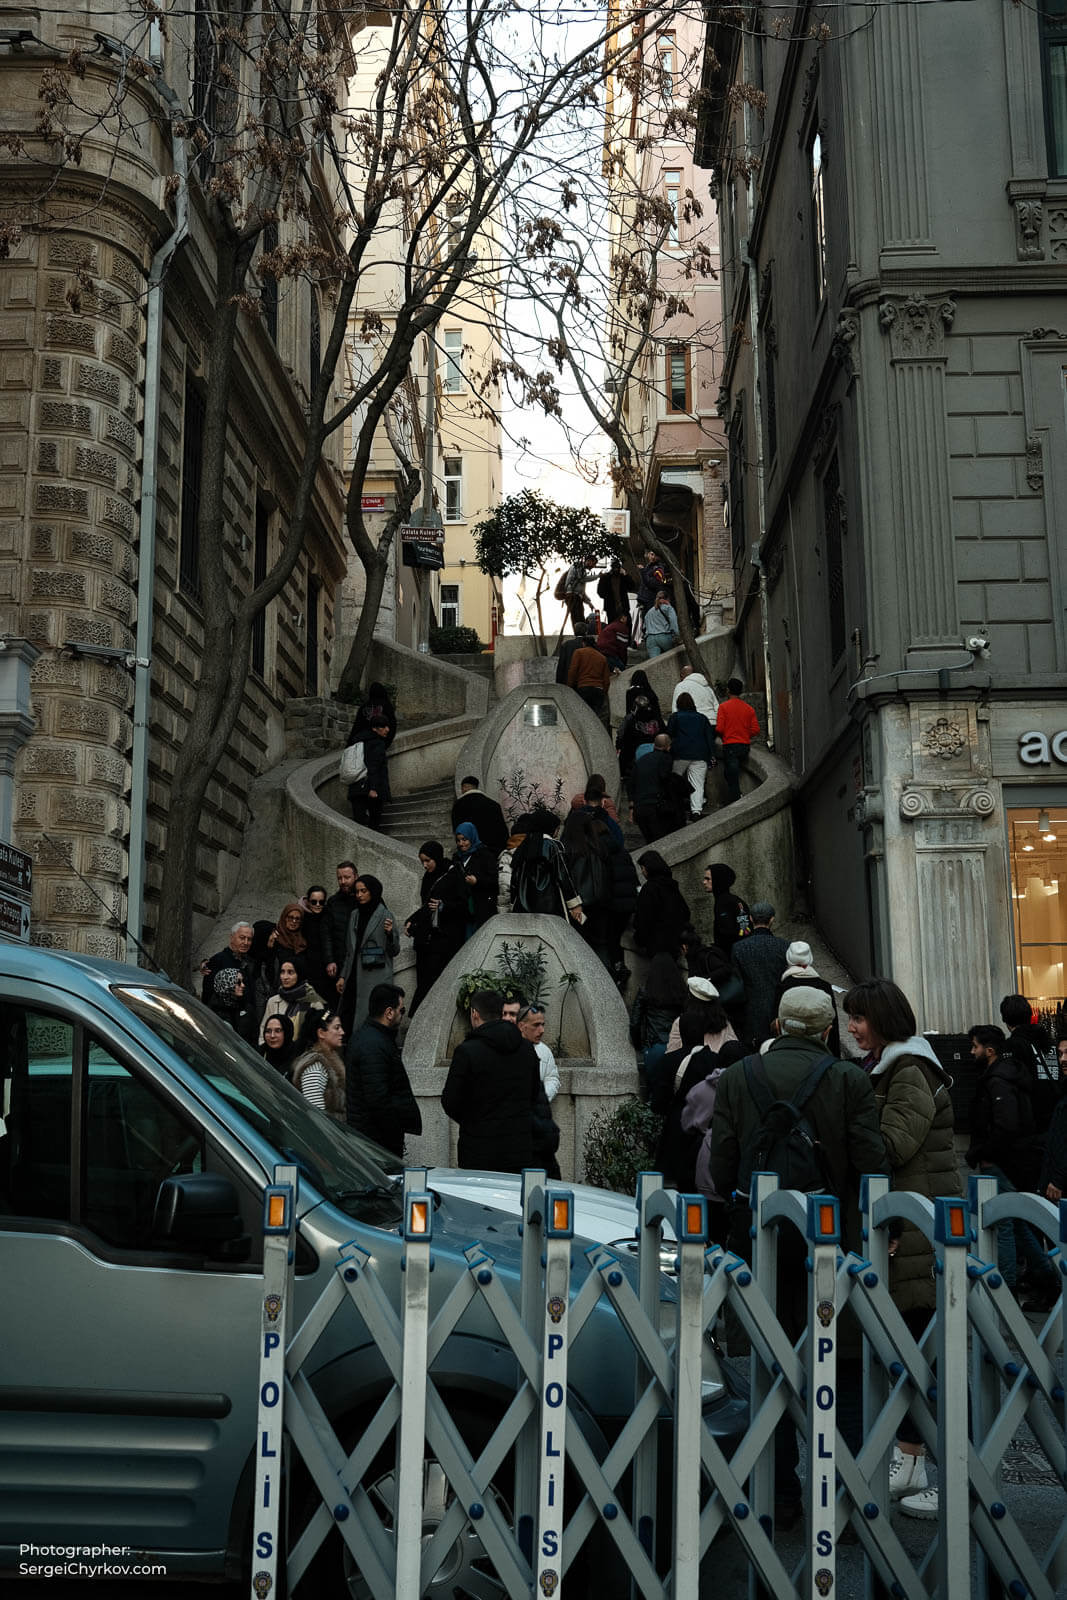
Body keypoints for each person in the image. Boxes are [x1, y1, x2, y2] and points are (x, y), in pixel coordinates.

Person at [710, 985, 888, 1528]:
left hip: (763, 1243)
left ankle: (780, 1494)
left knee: (771, 1363)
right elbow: (872, 1161)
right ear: (828, 1030)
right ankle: (847, 1499)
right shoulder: (849, 1080)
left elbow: (721, 1167)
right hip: (832, 1246)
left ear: (778, 1026)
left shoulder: (739, 1078)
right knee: (844, 1365)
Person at [843, 977, 963, 1517]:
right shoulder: (894, 1068)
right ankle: (913, 1460)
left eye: (860, 1018)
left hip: (917, 1229)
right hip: (908, 1225)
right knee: (912, 1353)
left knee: (924, 1355)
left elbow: (893, 1144)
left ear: (885, 1020)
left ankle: (956, 1472)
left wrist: (845, 1127)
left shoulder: (910, 1071)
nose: (852, 1027)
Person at [966, 1023, 1058, 1311]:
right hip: (1017, 1159)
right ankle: (1048, 1277)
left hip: (1000, 1161)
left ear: (989, 1050)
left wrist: (982, 1153)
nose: (971, 1052)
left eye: (975, 1047)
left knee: (1004, 1223)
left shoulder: (997, 1081)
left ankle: (1005, 1290)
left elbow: (1005, 1125)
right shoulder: (1012, 1075)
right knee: (1016, 1223)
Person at [442, 988, 540, 1172]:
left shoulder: (467, 1051)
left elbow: (450, 1101)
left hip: (478, 1151)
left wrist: (473, 1121)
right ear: (500, 1013)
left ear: (475, 1014)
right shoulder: (526, 1049)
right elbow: (534, 1095)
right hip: (519, 1150)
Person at [346, 983, 421, 1157]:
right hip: (377, 1144)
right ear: (389, 1013)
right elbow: (378, 1100)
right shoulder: (373, 1044)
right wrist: (394, 1134)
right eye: (401, 1010)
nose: (402, 1015)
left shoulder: (374, 1039)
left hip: (374, 1139)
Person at [404, 840, 467, 1016]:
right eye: (422, 861)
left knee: (432, 984)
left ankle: (419, 1018)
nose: (425, 865)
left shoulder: (453, 874)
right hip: (426, 940)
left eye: (428, 861)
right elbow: (426, 906)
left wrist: (443, 906)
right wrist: (412, 920)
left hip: (444, 940)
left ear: (437, 858)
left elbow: (463, 905)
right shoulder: (428, 877)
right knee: (423, 981)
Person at [503, 998, 561, 1178]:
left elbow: (553, 1077)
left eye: (543, 1024)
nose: (542, 1030)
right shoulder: (507, 1052)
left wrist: (543, 1094)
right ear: (522, 1026)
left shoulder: (544, 1051)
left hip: (541, 1145)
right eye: (536, 1025)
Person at [339, 874, 400, 1036]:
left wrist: (389, 934)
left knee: (370, 1020)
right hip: (353, 977)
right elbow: (349, 951)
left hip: (374, 978)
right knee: (348, 1019)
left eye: (363, 891)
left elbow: (394, 950)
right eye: (357, 891)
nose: (359, 895)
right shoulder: (354, 915)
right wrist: (343, 976)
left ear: (372, 891)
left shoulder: (385, 915)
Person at [730, 901, 790, 1049]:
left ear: (750, 919)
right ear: (772, 920)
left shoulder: (738, 948)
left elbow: (737, 983)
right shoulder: (784, 946)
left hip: (750, 1013)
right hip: (779, 1012)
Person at [630, 951, 688, 1097]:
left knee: (654, 1095)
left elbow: (635, 1023)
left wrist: (639, 1045)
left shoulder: (646, 991)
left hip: (654, 1046)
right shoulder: (681, 992)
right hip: (677, 1046)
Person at [509, 810, 581, 921]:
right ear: (550, 828)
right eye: (557, 828)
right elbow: (564, 875)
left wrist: (512, 902)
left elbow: (514, 878)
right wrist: (574, 904)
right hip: (549, 906)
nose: (557, 832)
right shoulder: (553, 846)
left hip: (522, 906)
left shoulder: (523, 846)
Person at [773, 940, 841, 1057]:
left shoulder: (783, 987)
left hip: (789, 1052)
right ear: (810, 959)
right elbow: (833, 1024)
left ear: (788, 959)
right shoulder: (824, 986)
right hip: (820, 1054)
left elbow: (775, 1020)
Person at [666, 691, 717, 821]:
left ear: (678, 704)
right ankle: (696, 811)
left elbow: (669, 734)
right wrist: (712, 755)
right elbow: (709, 738)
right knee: (698, 784)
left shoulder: (675, 717)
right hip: (700, 754)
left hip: (680, 754)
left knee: (674, 781)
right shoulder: (702, 718)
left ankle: (677, 808)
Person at [291, 1008, 347, 1120]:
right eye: (337, 1028)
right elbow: (316, 1115)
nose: (342, 1032)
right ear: (321, 1033)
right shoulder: (315, 1066)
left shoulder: (332, 1059)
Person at [634, 849, 690, 959]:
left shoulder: (649, 888)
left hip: (657, 946)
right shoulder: (671, 886)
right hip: (674, 944)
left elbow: (644, 918)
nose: (643, 872)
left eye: (643, 868)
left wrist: (639, 939)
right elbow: (685, 912)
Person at [627, 734, 682, 843]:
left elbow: (631, 784)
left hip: (640, 807)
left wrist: (631, 808)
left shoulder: (641, 760)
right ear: (667, 746)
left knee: (650, 840)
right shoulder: (665, 758)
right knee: (660, 841)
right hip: (655, 806)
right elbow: (664, 778)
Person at [259, 956, 325, 1044]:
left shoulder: (314, 1002)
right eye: (282, 972)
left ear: (299, 974)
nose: (285, 977)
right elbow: (264, 1029)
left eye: (290, 972)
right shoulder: (273, 1001)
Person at [715, 679, 760, 804]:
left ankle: (737, 801)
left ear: (728, 690)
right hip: (744, 746)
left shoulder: (723, 707)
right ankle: (737, 796)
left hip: (730, 746)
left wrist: (726, 733)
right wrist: (745, 734)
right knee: (731, 772)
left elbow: (719, 728)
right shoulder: (749, 708)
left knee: (731, 775)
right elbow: (755, 729)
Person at [453, 821, 499, 935]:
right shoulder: (457, 857)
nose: (461, 843)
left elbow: (494, 879)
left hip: (481, 906)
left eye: (464, 839)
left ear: (472, 838)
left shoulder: (484, 854)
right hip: (464, 908)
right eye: (458, 840)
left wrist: (477, 881)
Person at [322, 861, 359, 995]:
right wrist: (329, 960)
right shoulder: (333, 902)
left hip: (361, 964)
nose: (343, 881)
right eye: (339, 878)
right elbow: (326, 933)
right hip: (339, 962)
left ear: (356, 876)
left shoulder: (366, 900)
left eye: (347, 877)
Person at [349, 717, 392, 829]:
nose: (387, 729)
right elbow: (374, 766)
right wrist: (373, 788)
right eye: (383, 727)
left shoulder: (357, 741)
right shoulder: (377, 743)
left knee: (358, 824)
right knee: (374, 823)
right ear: (374, 728)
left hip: (356, 786)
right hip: (371, 789)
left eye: (387, 726)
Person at [201, 921, 255, 1006]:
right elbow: (208, 994)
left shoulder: (248, 961)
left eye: (249, 939)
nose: (246, 942)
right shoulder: (218, 960)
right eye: (242, 938)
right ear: (232, 937)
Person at [451, 776, 509, 853]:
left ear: (464, 787)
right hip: (494, 852)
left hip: (472, 854)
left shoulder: (458, 806)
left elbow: (457, 831)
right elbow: (503, 832)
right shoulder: (494, 804)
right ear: (476, 787)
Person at [262, 902, 309, 996]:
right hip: (278, 990)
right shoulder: (275, 938)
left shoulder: (304, 940)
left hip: (300, 990)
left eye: (297, 919)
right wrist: (270, 948)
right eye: (290, 917)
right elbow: (268, 966)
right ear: (284, 918)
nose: (294, 921)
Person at [703, 862, 751, 952]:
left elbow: (732, 933)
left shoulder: (725, 903)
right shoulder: (729, 900)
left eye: (708, 879)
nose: (704, 882)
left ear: (718, 880)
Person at [615, 693, 664, 778]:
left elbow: (621, 734)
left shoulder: (630, 718)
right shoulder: (656, 718)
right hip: (654, 751)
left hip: (633, 752)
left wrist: (618, 745)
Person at [207, 965, 259, 1044]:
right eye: (238, 982)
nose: (243, 985)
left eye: (242, 981)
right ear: (227, 984)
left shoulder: (247, 1008)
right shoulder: (212, 1012)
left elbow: (254, 1038)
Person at [567, 637, 612, 724]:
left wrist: (569, 686)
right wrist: (604, 692)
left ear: (584, 643)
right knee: (596, 720)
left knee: (583, 718)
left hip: (583, 688)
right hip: (598, 690)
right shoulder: (602, 657)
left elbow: (573, 671)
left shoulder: (579, 652)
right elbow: (606, 679)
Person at [299, 884, 332, 995]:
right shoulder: (300, 917)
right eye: (314, 902)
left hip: (325, 971)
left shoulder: (328, 917)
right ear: (308, 901)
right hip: (306, 970)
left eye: (321, 902)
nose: (318, 905)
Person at [347, 681, 397, 749]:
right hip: (380, 741)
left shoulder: (364, 707)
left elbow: (357, 726)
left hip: (364, 742)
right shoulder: (387, 706)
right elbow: (393, 724)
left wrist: (349, 744)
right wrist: (386, 743)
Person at [558, 555, 596, 632]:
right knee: (577, 617)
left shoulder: (583, 571)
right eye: (593, 563)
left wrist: (589, 603)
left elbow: (582, 592)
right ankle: (579, 635)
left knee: (579, 616)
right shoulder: (576, 567)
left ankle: (580, 634)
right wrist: (569, 593)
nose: (593, 566)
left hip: (576, 597)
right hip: (572, 596)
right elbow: (571, 580)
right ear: (588, 561)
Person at [555, 616, 596, 686]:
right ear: (586, 632)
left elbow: (561, 665)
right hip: (584, 681)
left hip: (568, 681)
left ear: (575, 632)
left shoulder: (566, 645)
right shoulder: (591, 645)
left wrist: (559, 683)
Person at [597, 558, 636, 623]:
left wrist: (626, 575)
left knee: (627, 626)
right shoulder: (605, 577)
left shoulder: (623, 577)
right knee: (612, 627)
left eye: (617, 567)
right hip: (611, 607)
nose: (616, 569)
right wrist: (608, 597)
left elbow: (632, 586)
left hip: (623, 607)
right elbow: (600, 592)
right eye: (614, 567)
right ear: (611, 567)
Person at [644, 590, 680, 657]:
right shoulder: (669, 608)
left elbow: (644, 626)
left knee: (655, 663)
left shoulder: (649, 612)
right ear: (668, 599)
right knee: (672, 658)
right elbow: (674, 622)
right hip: (664, 637)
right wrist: (677, 635)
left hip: (650, 639)